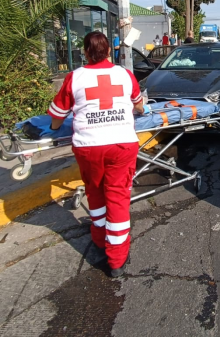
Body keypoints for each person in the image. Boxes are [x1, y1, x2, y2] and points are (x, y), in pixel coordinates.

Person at [48, 31, 145, 278]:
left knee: (95, 191)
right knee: (117, 198)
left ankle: (100, 239)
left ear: (85, 52)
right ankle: (117, 260)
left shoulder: (75, 77)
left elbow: (57, 115)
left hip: (89, 147)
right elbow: (138, 104)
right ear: (109, 51)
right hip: (121, 145)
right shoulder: (124, 75)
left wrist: (54, 130)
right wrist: (141, 111)